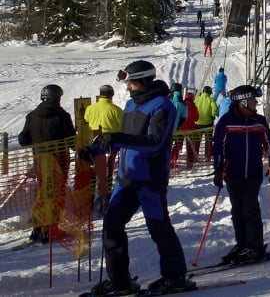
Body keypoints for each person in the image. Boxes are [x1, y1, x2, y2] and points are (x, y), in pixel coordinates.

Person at [78, 60, 191, 296]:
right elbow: (121, 140)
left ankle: (175, 277)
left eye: (131, 82)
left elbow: (155, 142)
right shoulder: (130, 105)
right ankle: (119, 281)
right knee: (111, 226)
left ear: (144, 80)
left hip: (149, 178)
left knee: (159, 228)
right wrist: (95, 149)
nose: (127, 86)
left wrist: (117, 138)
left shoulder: (163, 106)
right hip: (126, 178)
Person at [213, 85, 270, 264]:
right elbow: (219, 146)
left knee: (250, 208)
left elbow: (269, 143)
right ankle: (242, 244)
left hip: (253, 173)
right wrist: (218, 169)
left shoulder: (259, 121)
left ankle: (255, 246)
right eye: (252, 100)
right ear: (243, 102)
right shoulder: (227, 121)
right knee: (237, 210)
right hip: (233, 173)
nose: (256, 103)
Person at [18, 84, 76, 244]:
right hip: (59, 161)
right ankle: (51, 229)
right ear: (57, 98)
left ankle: (37, 227)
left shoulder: (32, 116)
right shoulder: (62, 116)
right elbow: (71, 139)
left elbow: (24, 139)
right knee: (57, 192)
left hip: (41, 160)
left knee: (42, 191)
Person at [83, 85, 124, 210]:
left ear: (100, 94)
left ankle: (91, 199)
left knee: (96, 172)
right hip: (112, 145)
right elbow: (122, 126)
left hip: (94, 145)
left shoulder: (90, 109)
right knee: (109, 171)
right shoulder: (116, 110)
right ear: (112, 94)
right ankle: (105, 199)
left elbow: (86, 121)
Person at [195, 85, 218, 162]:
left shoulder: (197, 99)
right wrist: (213, 116)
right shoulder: (211, 99)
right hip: (208, 123)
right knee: (208, 140)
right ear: (209, 92)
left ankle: (195, 156)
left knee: (197, 140)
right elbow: (215, 109)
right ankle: (207, 156)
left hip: (197, 123)